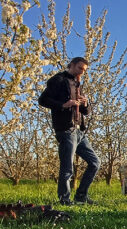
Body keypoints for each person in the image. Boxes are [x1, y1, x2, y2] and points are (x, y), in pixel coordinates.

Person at [38, 57, 100, 205]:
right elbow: (43, 100)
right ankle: (64, 200)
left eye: (84, 70)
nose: (82, 72)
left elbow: (86, 112)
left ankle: (80, 196)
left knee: (95, 162)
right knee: (67, 168)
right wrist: (64, 104)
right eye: (80, 68)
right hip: (65, 129)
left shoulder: (78, 84)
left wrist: (85, 103)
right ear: (71, 65)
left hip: (78, 131)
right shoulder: (58, 80)